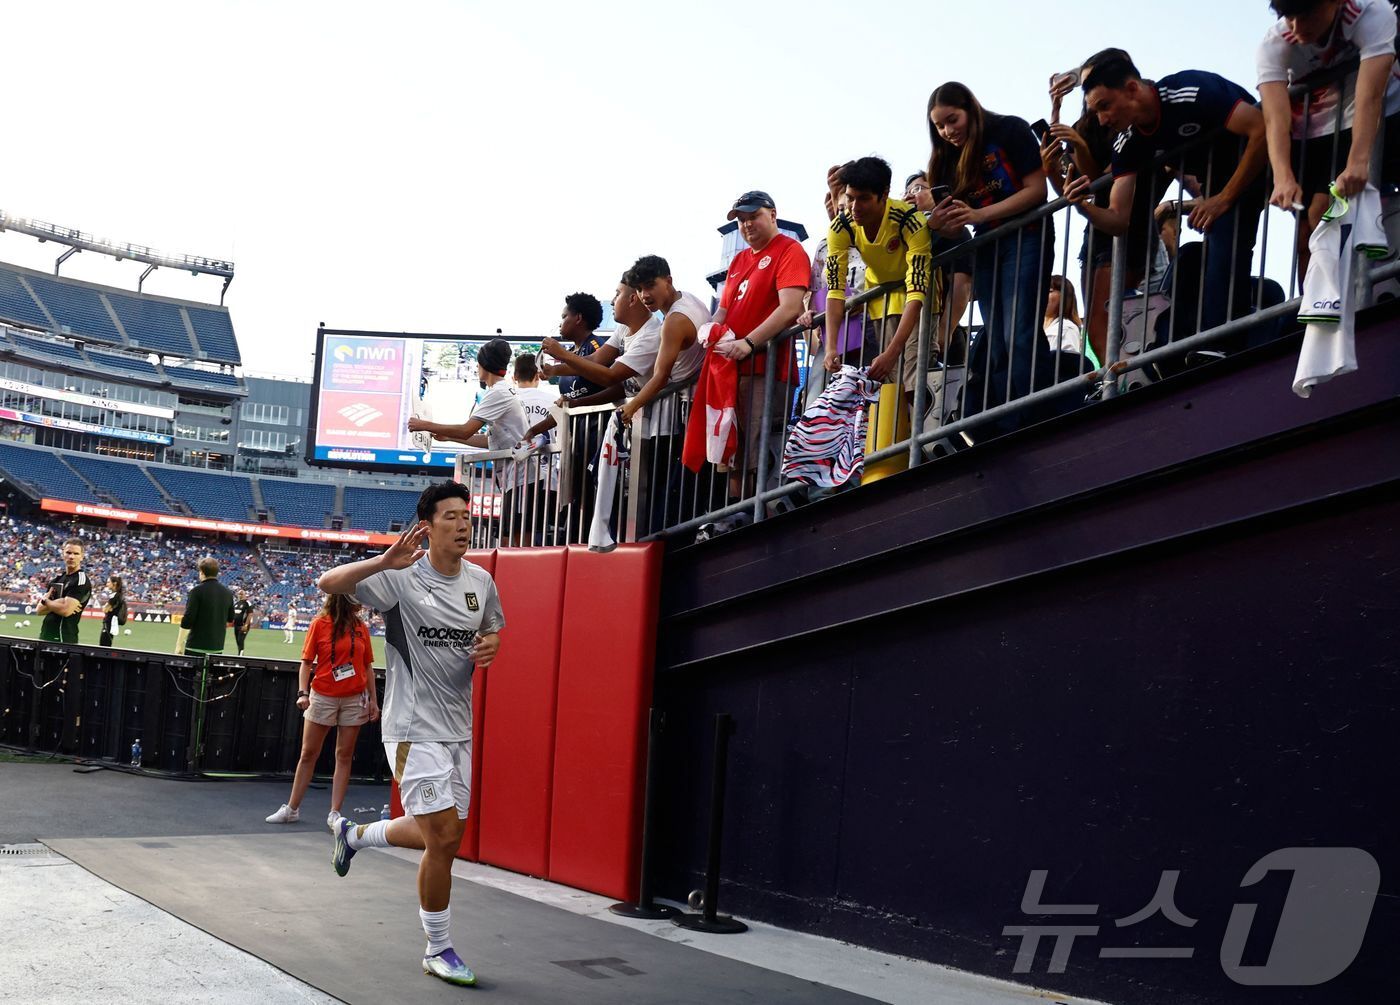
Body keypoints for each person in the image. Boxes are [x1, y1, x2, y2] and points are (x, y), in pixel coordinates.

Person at [320, 481, 504, 988]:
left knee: (438, 836)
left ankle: (353, 835)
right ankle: (437, 948)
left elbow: (492, 629)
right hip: (410, 728)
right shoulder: (400, 579)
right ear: (427, 526)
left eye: (467, 515)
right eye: (452, 516)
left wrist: (491, 645)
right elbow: (328, 583)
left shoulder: (481, 582)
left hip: (457, 730)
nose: (464, 523)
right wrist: (382, 562)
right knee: (443, 837)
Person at [1068, 51, 1268, 338]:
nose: (1101, 120)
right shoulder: (1128, 140)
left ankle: (1226, 340)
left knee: (1233, 243)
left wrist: (1223, 199)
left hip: (1268, 155)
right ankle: (1198, 343)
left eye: (1104, 106)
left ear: (1132, 89)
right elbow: (1117, 218)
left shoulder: (1187, 90)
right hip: (1218, 179)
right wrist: (1082, 207)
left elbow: (1260, 128)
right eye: (1095, 112)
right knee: (1195, 258)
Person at [926, 82, 1053, 433]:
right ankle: (1004, 418)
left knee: (1020, 332)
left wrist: (980, 215)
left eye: (953, 120)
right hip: (987, 245)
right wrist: (939, 223)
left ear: (970, 108)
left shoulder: (1008, 129)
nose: (948, 131)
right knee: (995, 338)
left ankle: (1032, 415)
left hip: (1027, 233)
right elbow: (957, 227)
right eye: (939, 126)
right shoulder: (943, 159)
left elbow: (1037, 190)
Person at [1258, 0, 1400, 276]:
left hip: (1386, 111)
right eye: (1289, 18)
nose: (1297, 28)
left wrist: (1360, 162)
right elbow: (1275, 119)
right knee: (1317, 218)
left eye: (1306, 13)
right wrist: (1282, 177)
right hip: (1320, 127)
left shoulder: (1371, 13)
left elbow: (1369, 97)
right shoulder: (1273, 43)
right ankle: (1322, 308)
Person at [687, 190, 810, 502]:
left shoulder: (790, 250)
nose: (746, 224)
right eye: (741, 220)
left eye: (752, 216)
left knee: (757, 453)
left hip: (766, 369)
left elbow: (790, 308)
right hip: (731, 369)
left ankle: (756, 518)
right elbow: (724, 310)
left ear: (772, 214)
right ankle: (738, 517)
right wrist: (710, 328)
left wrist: (750, 343)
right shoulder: (739, 259)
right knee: (732, 455)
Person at [822, 159, 934, 397]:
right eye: (850, 198)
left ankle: (923, 434)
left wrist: (892, 352)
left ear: (884, 195)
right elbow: (835, 289)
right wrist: (832, 346)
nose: (854, 207)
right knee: (890, 386)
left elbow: (916, 292)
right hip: (880, 300)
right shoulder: (841, 226)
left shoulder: (910, 220)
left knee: (913, 377)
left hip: (920, 298)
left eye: (863, 199)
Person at [266, 593, 379, 828]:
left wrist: (373, 701)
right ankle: (292, 808)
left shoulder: (361, 627)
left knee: (344, 755)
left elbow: (368, 666)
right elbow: (306, 662)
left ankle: (335, 812)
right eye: (355, 596)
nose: (360, 601)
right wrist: (302, 693)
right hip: (323, 695)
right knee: (309, 753)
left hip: (354, 697)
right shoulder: (320, 624)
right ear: (344, 598)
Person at [408, 338, 528, 539]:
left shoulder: (497, 392)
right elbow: (484, 440)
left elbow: (466, 429)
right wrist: (448, 437)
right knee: (511, 535)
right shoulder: (502, 390)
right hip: (515, 476)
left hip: (521, 476)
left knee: (513, 538)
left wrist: (424, 425)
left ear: (484, 365)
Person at [512, 353, 560, 544]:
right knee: (539, 535)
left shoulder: (509, 400)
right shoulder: (553, 400)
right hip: (549, 478)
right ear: (537, 376)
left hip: (515, 477)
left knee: (515, 535)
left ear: (514, 376)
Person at [175, 557, 236, 656]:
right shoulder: (228, 593)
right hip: (217, 647)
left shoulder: (196, 591)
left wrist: (179, 645)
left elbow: (188, 619)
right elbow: (230, 618)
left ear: (202, 572)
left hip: (195, 646)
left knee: (191, 672)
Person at [37, 537, 91, 644]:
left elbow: (65, 611)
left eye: (76, 554)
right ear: (63, 554)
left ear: (82, 557)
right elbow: (39, 610)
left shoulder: (81, 580)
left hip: (63, 638)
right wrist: (59, 602)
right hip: (45, 635)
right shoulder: (57, 579)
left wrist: (47, 601)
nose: (71, 556)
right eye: (68, 552)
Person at [1043, 276, 1096, 365]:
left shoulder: (1066, 328)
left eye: (1049, 291)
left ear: (1065, 297)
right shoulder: (1034, 330)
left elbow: (1066, 368)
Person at [98, 575, 126, 647]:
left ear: (115, 583)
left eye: (108, 582)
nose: (107, 584)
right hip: (109, 623)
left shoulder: (115, 596)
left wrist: (106, 607)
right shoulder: (115, 595)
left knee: (104, 645)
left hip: (109, 623)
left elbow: (105, 609)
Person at [232, 589, 256, 656]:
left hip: (243, 625)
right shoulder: (236, 604)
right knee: (237, 641)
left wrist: (246, 625)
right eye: (239, 594)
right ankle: (240, 653)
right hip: (236, 625)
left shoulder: (247, 603)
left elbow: (250, 614)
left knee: (240, 640)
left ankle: (241, 654)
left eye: (241, 594)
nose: (240, 595)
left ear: (245, 594)